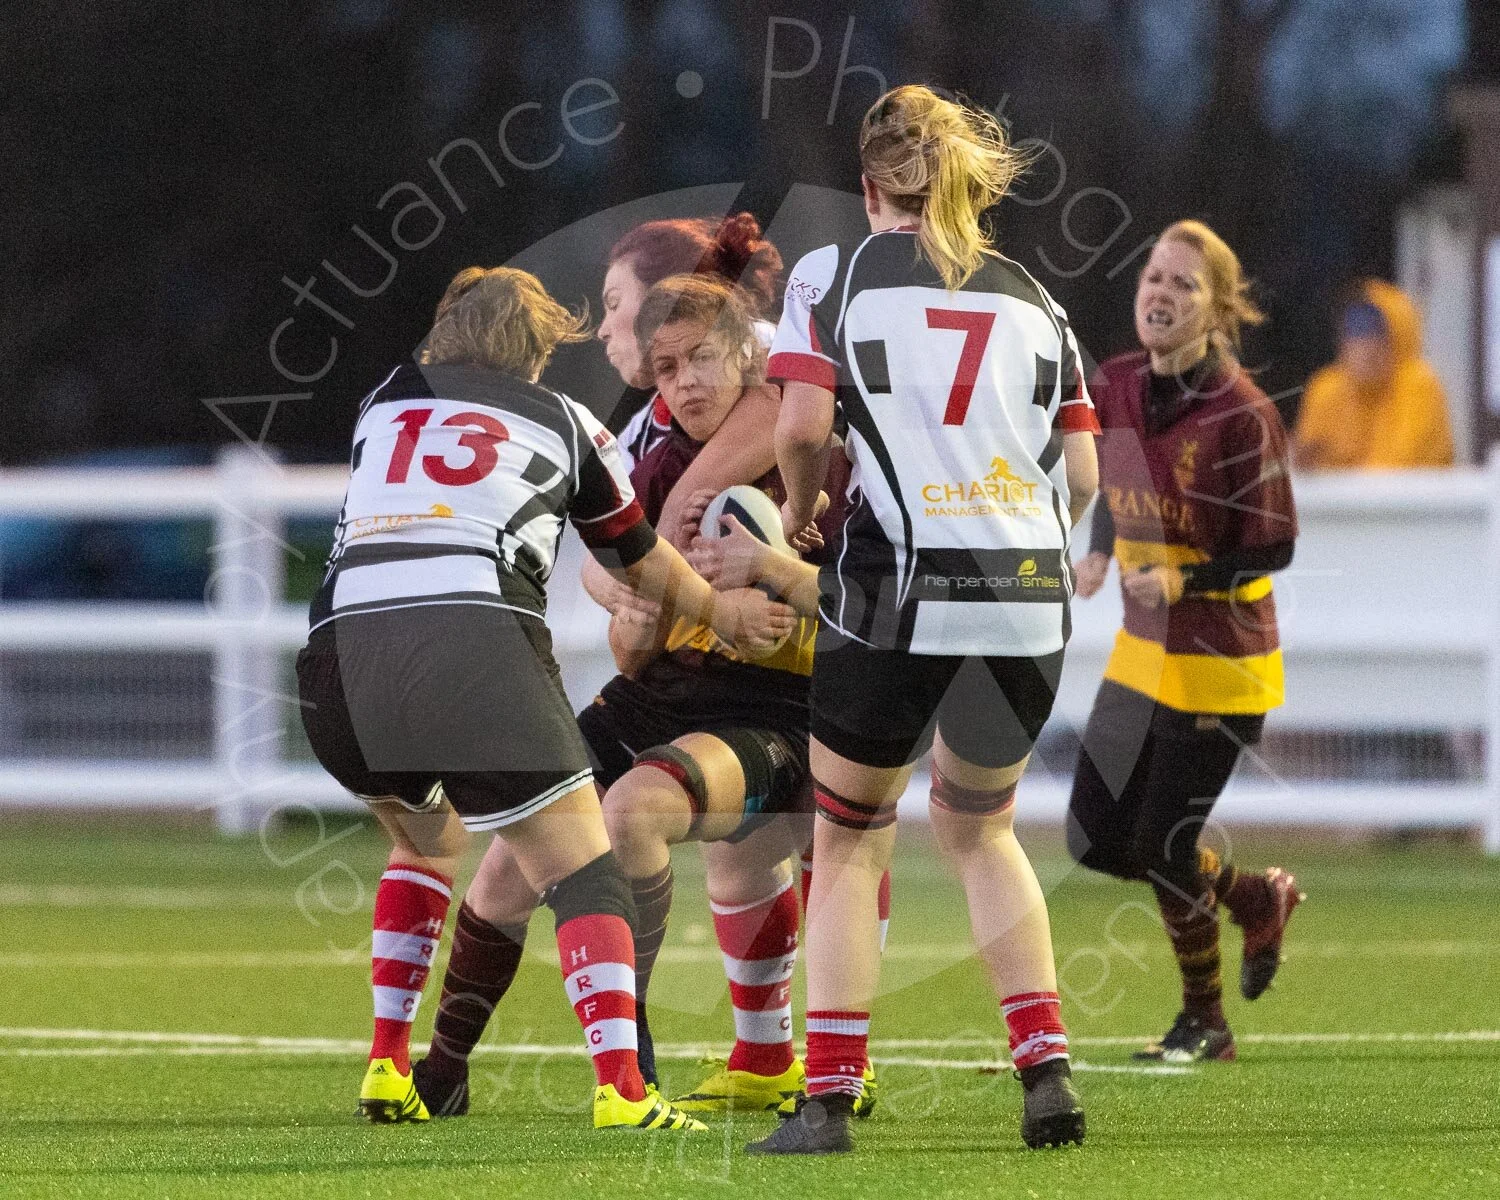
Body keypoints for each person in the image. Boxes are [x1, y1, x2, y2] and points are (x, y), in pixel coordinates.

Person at [294, 265, 794, 1130]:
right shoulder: (570, 422)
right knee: (588, 869)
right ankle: (624, 1091)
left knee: (427, 844)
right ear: (534, 350)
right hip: (474, 647)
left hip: (338, 658)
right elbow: (635, 558)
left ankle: (390, 1064)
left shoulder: (384, 401)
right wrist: (721, 611)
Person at [412, 277, 886, 1119]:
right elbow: (629, 643)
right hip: (657, 701)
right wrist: (651, 607)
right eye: (666, 369)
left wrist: (777, 582)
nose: (685, 383)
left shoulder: (823, 458)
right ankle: (442, 1071)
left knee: (632, 813)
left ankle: (634, 1062)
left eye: (701, 358)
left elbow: (871, 615)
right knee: (515, 855)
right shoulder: (661, 470)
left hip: (778, 717)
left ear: (747, 355)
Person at [746, 84, 1100, 1156]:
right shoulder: (1038, 298)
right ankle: (1046, 1076)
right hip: (1027, 599)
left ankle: (827, 1099)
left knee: (850, 837)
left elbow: (802, 425)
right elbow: (1083, 473)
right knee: (982, 832)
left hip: (897, 592)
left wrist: (801, 509)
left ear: (870, 188)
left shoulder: (836, 274)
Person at [1068, 220, 1304, 1064]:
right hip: (1144, 653)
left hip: (1221, 662)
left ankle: (1206, 1020)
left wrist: (1185, 580)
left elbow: (1275, 547)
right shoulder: (1117, 382)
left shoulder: (1244, 414)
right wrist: (1100, 549)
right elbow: (1118, 477)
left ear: (1218, 309)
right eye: (1153, 278)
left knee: (1164, 844)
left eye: (1184, 284)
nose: (1160, 294)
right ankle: (1254, 898)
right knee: (1095, 836)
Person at [1293, 279, 1454, 470]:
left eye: (1376, 335)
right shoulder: (1327, 388)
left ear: (1400, 337)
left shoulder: (1419, 384)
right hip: (1348, 489)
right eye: (1354, 335)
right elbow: (1305, 464)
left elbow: (1400, 467)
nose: (1364, 348)